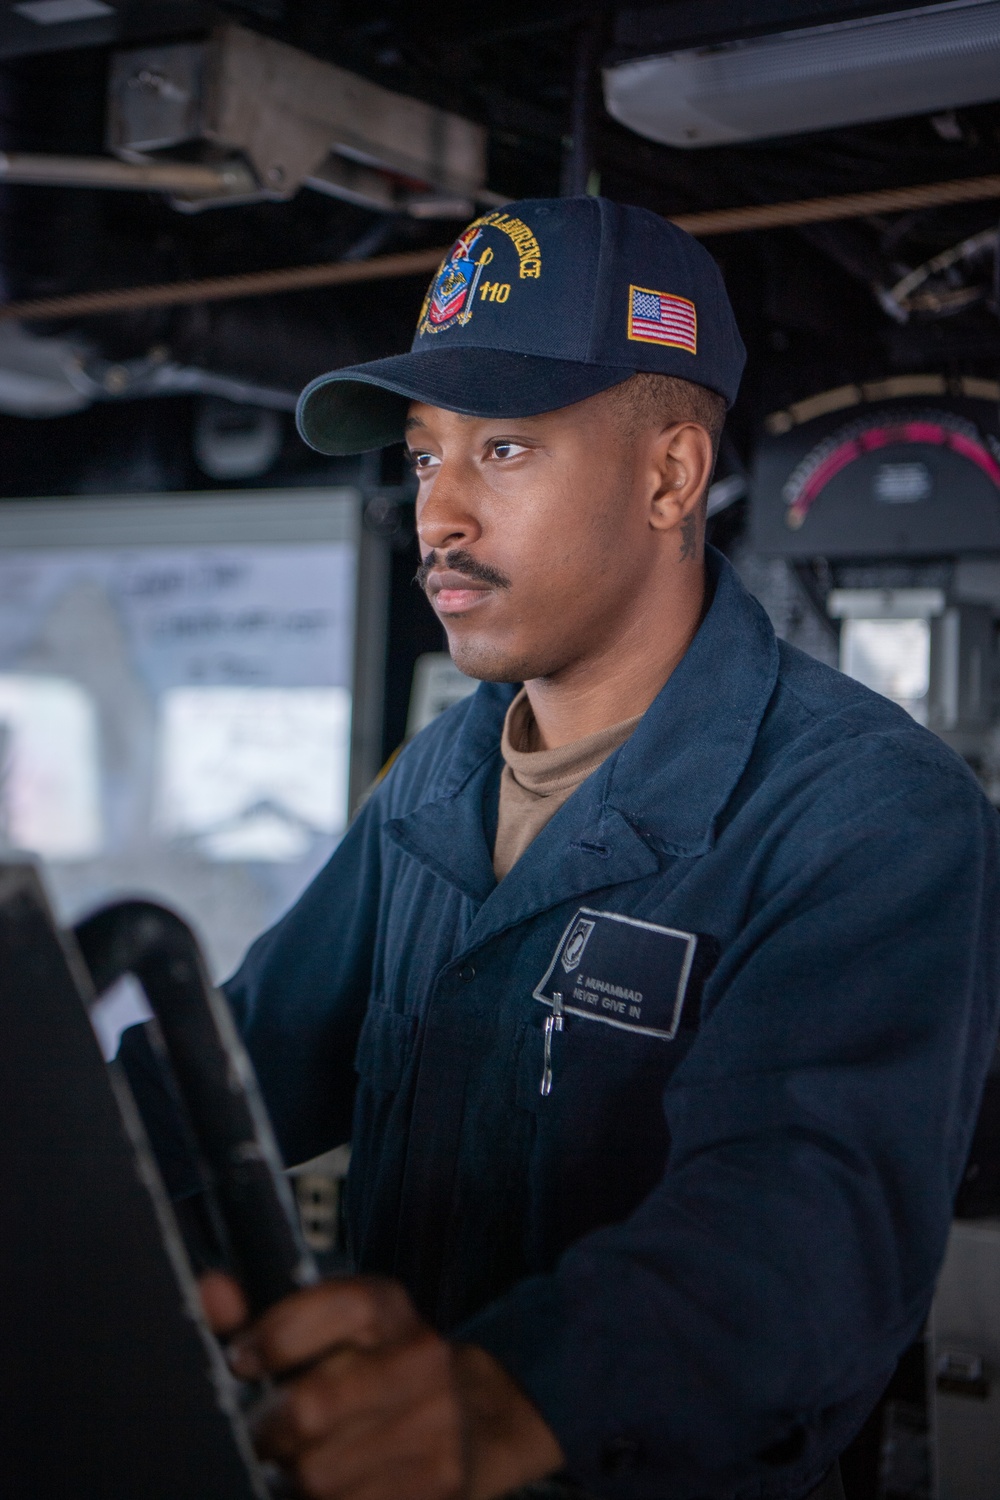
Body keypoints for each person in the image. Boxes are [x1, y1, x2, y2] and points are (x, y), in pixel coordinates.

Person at [146, 197, 1000, 1500]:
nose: (437, 516)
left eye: (502, 451)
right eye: (425, 455)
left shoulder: (870, 815)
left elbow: (800, 1223)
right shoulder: (445, 772)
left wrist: (507, 1395)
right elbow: (244, 1068)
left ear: (670, 476)